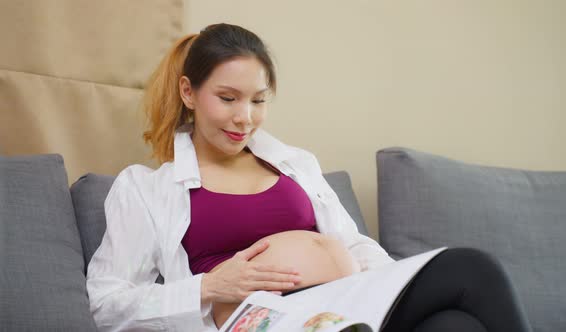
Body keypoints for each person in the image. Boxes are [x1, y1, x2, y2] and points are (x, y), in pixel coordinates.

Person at [86, 23, 532, 332]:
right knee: (471, 267)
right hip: (270, 321)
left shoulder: (295, 163)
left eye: (258, 100)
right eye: (228, 98)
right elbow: (106, 304)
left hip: (345, 304)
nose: (245, 118)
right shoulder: (145, 189)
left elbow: (353, 244)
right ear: (189, 92)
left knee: (453, 325)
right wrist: (208, 286)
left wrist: (388, 288)